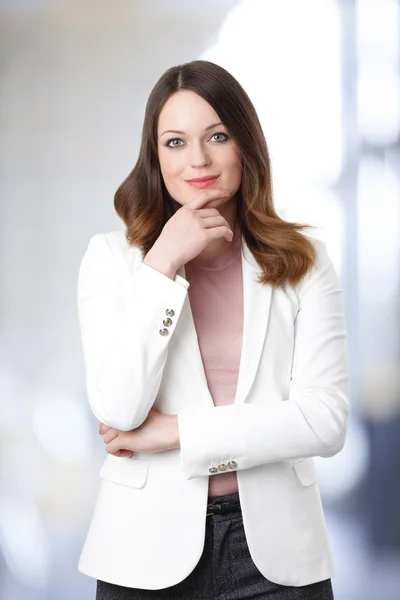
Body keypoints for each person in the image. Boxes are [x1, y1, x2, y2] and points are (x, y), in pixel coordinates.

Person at [77, 60, 350, 600]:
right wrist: (163, 264)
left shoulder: (304, 259)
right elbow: (119, 409)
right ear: (156, 157)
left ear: (244, 146)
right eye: (175, 142)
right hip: (144, 552)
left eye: (217, 136)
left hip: (277, 554)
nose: (197, 160)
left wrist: (176, 434)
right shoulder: (111, 259)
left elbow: (325, 420)